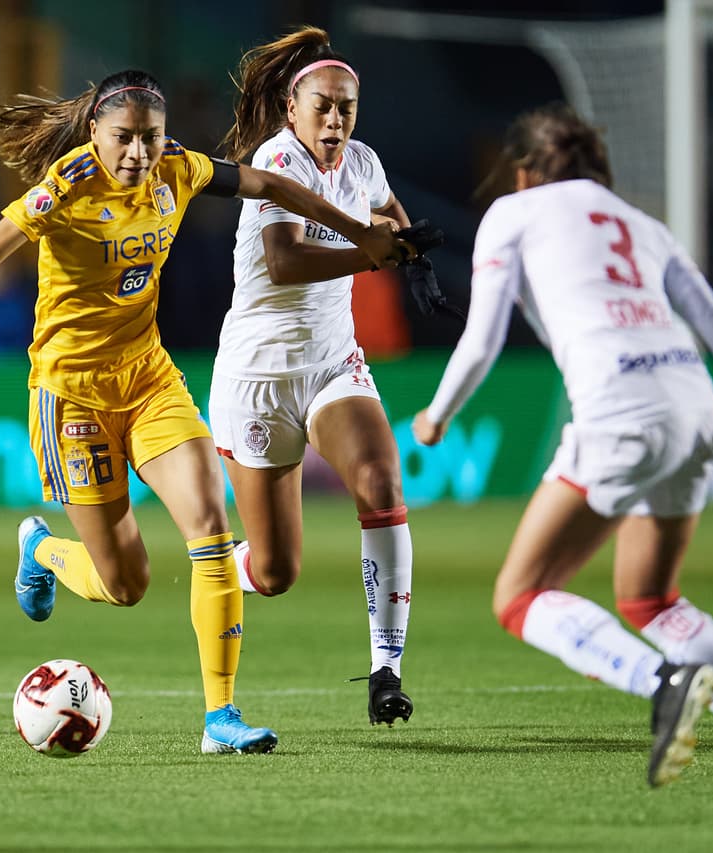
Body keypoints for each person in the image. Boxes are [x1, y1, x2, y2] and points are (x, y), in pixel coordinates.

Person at [0, 69, 411, 754]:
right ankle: (41, 549)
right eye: (123, 138)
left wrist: (360, 232)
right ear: (95, 133)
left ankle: (220, 718)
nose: (137, 153)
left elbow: (273, 186)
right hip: (72, 395)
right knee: (125, 583)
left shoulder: (179, 169)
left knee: (211, 528)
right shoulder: (64, 189)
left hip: (149, 379)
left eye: (150, 138)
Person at [411, 103, 713, 820]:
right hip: (693, 402)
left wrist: (437, 413)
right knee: (651, 599)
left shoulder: (514, 213)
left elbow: (483, 337)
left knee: (520, 596)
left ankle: (662, 682)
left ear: (522, 171)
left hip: (620, 406)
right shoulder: (642, 223)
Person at [208, 27, 447, 726]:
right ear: (293, 109)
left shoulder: (362, 162)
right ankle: (212, 572)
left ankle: (386, 671)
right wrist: (372, 253)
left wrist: (411, 253)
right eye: (324, 106)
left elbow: (391, 215)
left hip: (332, 365)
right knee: (275, 572)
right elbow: (284, 262)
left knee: (382, 483)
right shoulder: (276, 160)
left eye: (347, 107)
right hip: (258, 377)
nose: (336, 119)